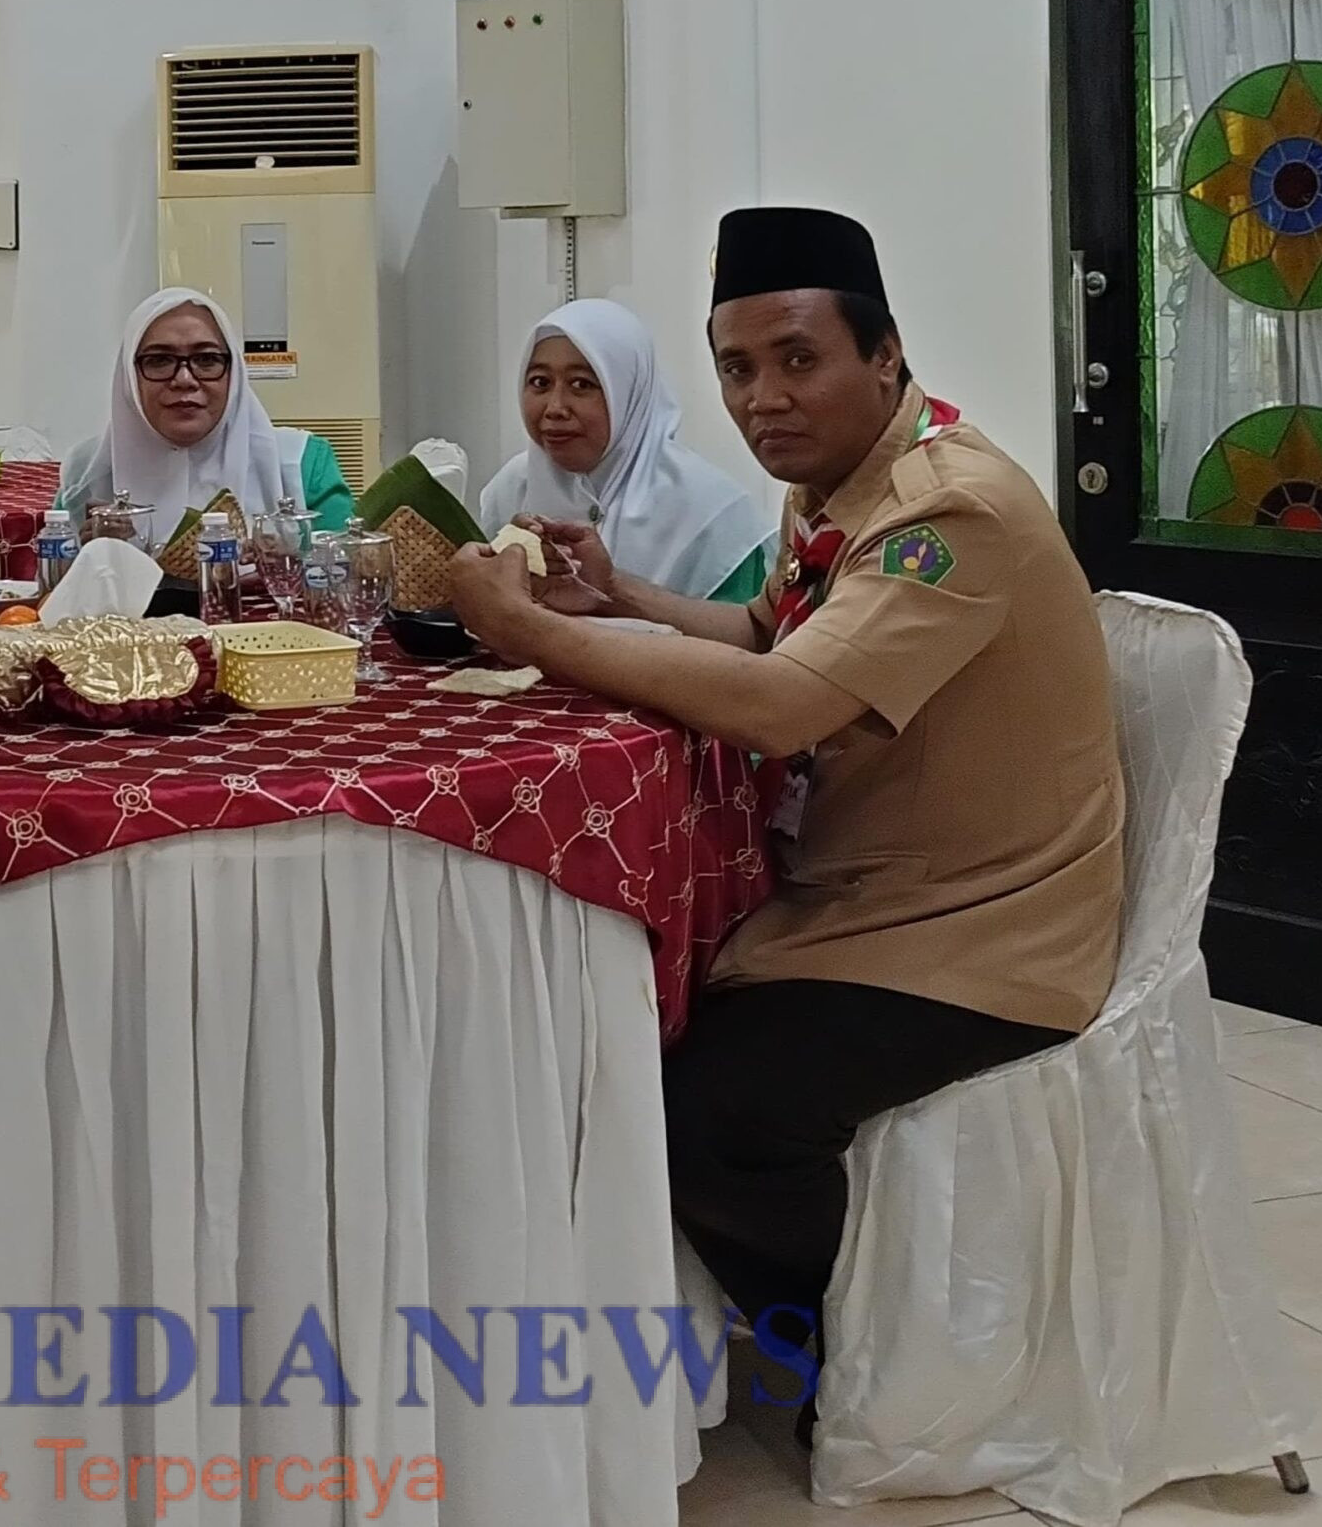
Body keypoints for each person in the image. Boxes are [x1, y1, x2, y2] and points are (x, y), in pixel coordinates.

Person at [449, 207, 1124, 1407]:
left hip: (979, 928)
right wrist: (618, 593)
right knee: (611, 1003)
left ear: (885, 354)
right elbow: (772, 633)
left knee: (712, 1113)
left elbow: (779, 705)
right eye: (737, 367)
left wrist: (531, 630)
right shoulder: (836, 483)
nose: (763, 398)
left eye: (798, 358)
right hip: (860, 891)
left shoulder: (948, 512)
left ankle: (870, 1371)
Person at [477, 297, 773, 604]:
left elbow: (745, 632)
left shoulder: (711, 512)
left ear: (630, 394)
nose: (555, 408)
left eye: (581, 385)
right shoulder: (512, 488)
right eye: (540, 382)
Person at [57, 288, 357, 537]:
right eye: (159, 360)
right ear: (129, 378)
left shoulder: (300, 463)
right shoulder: (86, 474)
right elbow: (47, 587)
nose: (184, 379)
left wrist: (284, 559)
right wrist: (87, 562)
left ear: (234, 373)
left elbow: (353, 573)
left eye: (206, 359)